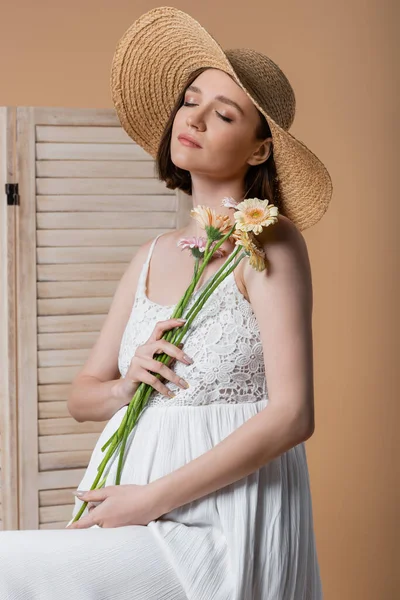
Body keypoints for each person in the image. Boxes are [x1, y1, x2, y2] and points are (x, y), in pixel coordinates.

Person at [0, 6, 333, 600]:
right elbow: (82, 396)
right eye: (191, 100)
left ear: (259, 152)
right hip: (129, 497)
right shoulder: (151, 253)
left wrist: (147, 502)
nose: (196, 119)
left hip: (217, 522)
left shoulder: (268, 243)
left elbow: (292, 415)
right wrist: (126, 386)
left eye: (224, 113)